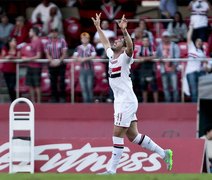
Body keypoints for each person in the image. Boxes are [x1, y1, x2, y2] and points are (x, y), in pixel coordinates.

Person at [92, 13, 173, 174]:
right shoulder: (111, 56)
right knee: (133, 136)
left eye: (119, 40)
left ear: (122, 47)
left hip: (126, 101)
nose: (116, 41)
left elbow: (130, 46)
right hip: (121, 101)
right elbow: (105, 42)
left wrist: (125, 31)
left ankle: (112, 170)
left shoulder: (125, 57)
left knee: (117, 132)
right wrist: (98, 28)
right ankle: (165, 153)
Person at [184, 24, 207, 102]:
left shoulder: (202, 53)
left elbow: (205, 64)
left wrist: (206, 67)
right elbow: (188, 37)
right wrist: (191, 28)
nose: (199, 42)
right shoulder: (191, 47)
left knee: (202, 91)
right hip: (191, 73)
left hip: (199, 72)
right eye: (198, 41)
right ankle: (194, 108)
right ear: (195, 42)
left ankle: (201, 107)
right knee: (194, 91)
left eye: (201, 41)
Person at [156, 31, 180, 102]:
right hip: (164, 69)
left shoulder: (174, 45)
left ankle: (176, 103)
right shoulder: (160, 46)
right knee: (165, 88)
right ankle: (168, 103)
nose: (166, 38)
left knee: (175, 88)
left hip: (172, 69)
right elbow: (157, 56)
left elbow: (177, 57)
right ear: (162, 38)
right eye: (164, 37)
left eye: (167, 37)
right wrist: (159, 59)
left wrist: (174, 66)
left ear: (169, 38)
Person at [45, 28, 67, 103]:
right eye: (52, 32)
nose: (54, 33)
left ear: (57, 33)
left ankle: (62, 97)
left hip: (60, 63)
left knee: (61, 81)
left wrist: (59, 61)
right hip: (52, 63)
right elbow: (47, 53)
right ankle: (54, 97)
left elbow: (64, 53)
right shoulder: (48, 42)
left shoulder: (62, 41)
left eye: (55, 32)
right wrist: (52, 61)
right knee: (53, 81)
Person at [73, 32, 96, 103]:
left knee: (89, 86)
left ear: (88, 39)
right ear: (81, 39)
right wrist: (80, 59)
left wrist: (84, 59)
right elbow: (74, 56)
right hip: (82, 69)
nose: (84, 40)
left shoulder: (91, 47)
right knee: (83, 86)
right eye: (83, 38)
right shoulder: (78, 47)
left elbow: (93, 56)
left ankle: (90, 101)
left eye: (86, 38)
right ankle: (86, 102)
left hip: (89, 69)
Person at [22, 27, 43, 103]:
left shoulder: (38, 41)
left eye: (30, 31)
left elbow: (39, 55)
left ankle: (39, 102)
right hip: (30, 66)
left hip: (36, 66)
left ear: (34, 32)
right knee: (30, 84)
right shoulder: (31, 41)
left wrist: (27, 59)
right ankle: (33, 101)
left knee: (37, 85)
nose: (29, 33)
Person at [137, 36, 158, 103]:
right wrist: (147, 58)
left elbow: (155, 56)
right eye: (144, 41)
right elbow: (137, 56)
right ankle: (145, 101)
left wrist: (144, 59)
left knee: (153, 85)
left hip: (151, 68)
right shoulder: (140, 48)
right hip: (143, 68)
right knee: (143, 85)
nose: (146, 42)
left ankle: (156, 102)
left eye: (147, 41)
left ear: (149, 42)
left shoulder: (152, 47)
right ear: (142, 42)